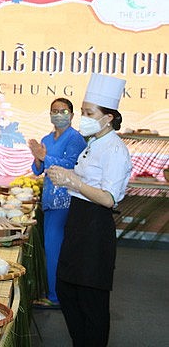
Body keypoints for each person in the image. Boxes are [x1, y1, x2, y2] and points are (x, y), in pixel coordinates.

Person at [48, 74, 132, 347]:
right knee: (66, 288)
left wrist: (73, 181)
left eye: (88, 112)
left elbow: (108, 197)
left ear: (108, 118)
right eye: (82, 111)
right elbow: (85, 178)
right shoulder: (92, 143)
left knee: (91, 300)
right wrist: (65, 173)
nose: (82, 117)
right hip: (78, 221)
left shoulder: (115, 149)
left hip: (96, 226)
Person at [28, 97, 87, 309]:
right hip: (50, 200)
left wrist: (46, 158)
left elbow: (73, 164)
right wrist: (38, 158)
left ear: (71, 115)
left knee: (55, 249)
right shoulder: (47, 138)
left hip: (66, 200)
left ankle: (55, 297)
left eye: (63, 111)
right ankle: (55, 291)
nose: (58, 114)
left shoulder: (75, 139)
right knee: (51, 248)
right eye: (55, 111)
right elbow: (37, 169)